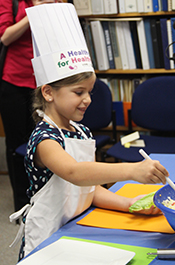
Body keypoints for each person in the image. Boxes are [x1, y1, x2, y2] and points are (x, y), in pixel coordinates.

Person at [9, 3, 169, 261]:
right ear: (48, 92)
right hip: (48, 237)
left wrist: (130, 204)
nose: (88, 100)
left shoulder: (80, 131)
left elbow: (89, 188)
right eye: (78, 92)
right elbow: (75, 173)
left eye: (89, 92)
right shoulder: (44, 139)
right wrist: (132, 170)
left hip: (76, 227)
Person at [0, 0, 62, 212]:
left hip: (46, 83)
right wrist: (33, 14)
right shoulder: (12, 2)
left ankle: (45, 200)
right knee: (17, 146)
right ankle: (22, 204)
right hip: (14, 82)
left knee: (46, 140)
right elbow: (5, 36)